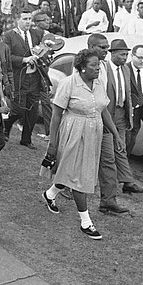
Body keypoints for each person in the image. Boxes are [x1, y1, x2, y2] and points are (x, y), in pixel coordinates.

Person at [41, 49, 122, 240]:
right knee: (79, 176)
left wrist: (116, 134)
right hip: (73, 132)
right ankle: (86, 221)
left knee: (72, 170)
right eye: (93, 65)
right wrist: (52, 142)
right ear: (82, 67)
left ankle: (50, 194)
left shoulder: (99, 83)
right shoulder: (68, 84)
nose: (98, 68)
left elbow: (103, 111)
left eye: (99, 65)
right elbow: (56, 115)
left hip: (94, 133)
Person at [87, 34, 130, 215]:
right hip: (85, 123)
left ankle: (108, 201)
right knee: (78, 159)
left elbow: (103, 103)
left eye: (107, 48)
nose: (106, 51)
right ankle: (59, 188)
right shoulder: (83, 67)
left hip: (103, 122)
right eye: (102, 48)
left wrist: (114, 132)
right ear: (91, 47)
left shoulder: (105, 68)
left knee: (108, 161)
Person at [105, 39, 143, 193]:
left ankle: (127, 182)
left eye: (126, 54)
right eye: (122, 54)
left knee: (121, 147)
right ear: (113, 53)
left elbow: (128, 93)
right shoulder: (104, 69)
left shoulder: (126, 70)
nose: (125, 58)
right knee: (106, 152)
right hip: (106, 115)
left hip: (122, 114)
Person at [2, 11, 42, 147]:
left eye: (30, 19)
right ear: (16, 20)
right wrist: (24, 60)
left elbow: (41, 50)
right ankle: (6, 126)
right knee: (18, 109)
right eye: (25, 19)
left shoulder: (37, 34)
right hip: (19, 78)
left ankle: (26, 140)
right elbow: (7, 57)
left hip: (34, 77)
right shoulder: (8, 36)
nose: (28, 22)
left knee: (33, 112)